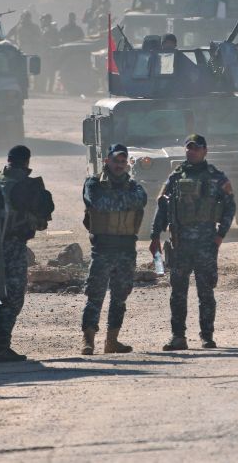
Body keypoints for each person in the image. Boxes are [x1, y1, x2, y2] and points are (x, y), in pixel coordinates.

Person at [149, 134, 235, 351]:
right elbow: (162, 206)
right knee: (178, 292)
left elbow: (230, 206)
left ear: (205, 151)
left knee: (206, 292)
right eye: (189, 148)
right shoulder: (175, 177)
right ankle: (178, 337)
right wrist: (154, 236)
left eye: (196, 148)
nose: (191, 152)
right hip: (180, 244)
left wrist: (220, 235)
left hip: (206, 244)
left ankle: (207, 336)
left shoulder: (216, 177)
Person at [0, 145, 53, 363]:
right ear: (26, 162)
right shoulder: (26, 185)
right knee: (13, 298)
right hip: (12, 246)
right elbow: (42, 220)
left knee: (1, 297)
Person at [81, 144, 147, 355]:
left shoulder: (134, 186)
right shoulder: (93, 183)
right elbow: (99, 204)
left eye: (122, 161)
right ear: (106, 161)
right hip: (103, 249)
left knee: (120, 297)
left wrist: (117, 201)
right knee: (95, 296)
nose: (119, 165)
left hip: (126, 249)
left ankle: (112, 341)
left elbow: (141, 200)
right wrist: (124, 203)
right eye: (115, 160)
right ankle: (88, 341)